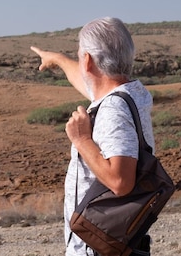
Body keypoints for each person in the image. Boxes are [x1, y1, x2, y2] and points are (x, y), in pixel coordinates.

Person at [30, 17, 155, 256]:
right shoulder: (130, 94)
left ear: (87, 60)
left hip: (98, 247)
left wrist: (81, 140)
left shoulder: (112, 110)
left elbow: (121, 181)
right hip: (119, 241)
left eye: (80, 56)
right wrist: (57, 59)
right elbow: (88, 82)